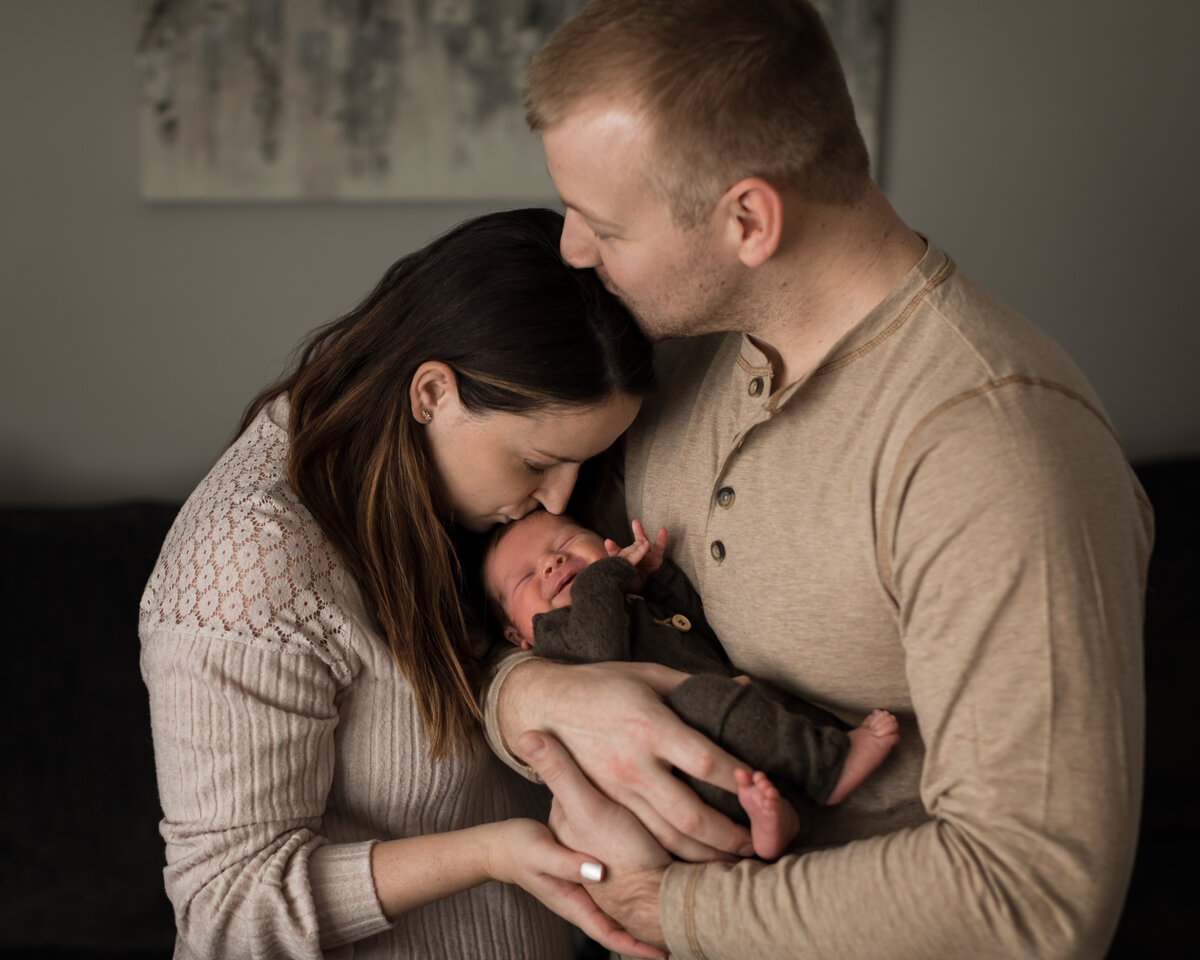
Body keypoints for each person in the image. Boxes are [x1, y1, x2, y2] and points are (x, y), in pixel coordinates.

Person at [483, 2, 1155, 958]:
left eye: (603, 225)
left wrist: (663, 908)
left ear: (749, 219)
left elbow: (1035, 895)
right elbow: (502, 584)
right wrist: (528, 700)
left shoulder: (996, 449)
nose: (574, 252)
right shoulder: (667, 364)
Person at [137, 208, 668, 960]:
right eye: (537, 462)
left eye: (581, 464)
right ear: (431, 395)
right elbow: (225, 913)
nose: (559, 499)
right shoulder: (249, 564)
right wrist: (489, 854)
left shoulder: (458, 497)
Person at [483, 508, 900, 860]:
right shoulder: (558, 639)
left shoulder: (628, 604)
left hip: (737, 726)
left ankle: (780, 822)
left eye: (567, 541)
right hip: (685, 761)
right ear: (518, 638)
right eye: (525, 578)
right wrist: (602, 576)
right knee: (707, 697)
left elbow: (695, 627)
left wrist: (657, 580)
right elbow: (602, 651)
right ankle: (829, 764)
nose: (552, 562)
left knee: (768, 705)